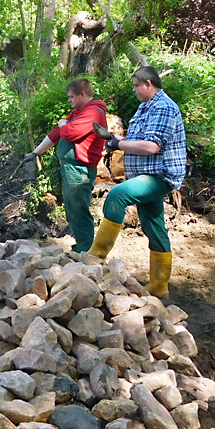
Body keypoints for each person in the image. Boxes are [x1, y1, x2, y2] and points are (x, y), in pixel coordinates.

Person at [88, 66, 187, 298]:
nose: (133, 90)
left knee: (117, 195)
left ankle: (96, 257)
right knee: (153, 223)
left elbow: (152, 147)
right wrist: (117, 139)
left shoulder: (163, 107)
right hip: (145, 175)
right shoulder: (146, 107)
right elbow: (138, 140)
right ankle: (160, 285)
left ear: (148, 84)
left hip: (159, 177)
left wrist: (118, 145)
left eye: (135, 86)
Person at [22, 77, 107, 252]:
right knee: (72, 209)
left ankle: (87, 251)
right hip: (70, 168)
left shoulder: (94, 112)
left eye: (71, 96)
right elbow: (57, 133)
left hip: (80, 169)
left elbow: (69, 133)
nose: (69, 100)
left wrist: (63, 124)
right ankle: (83, 248)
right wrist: (35, 153)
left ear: (82, 94)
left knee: (79, 210)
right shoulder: (77, 113)